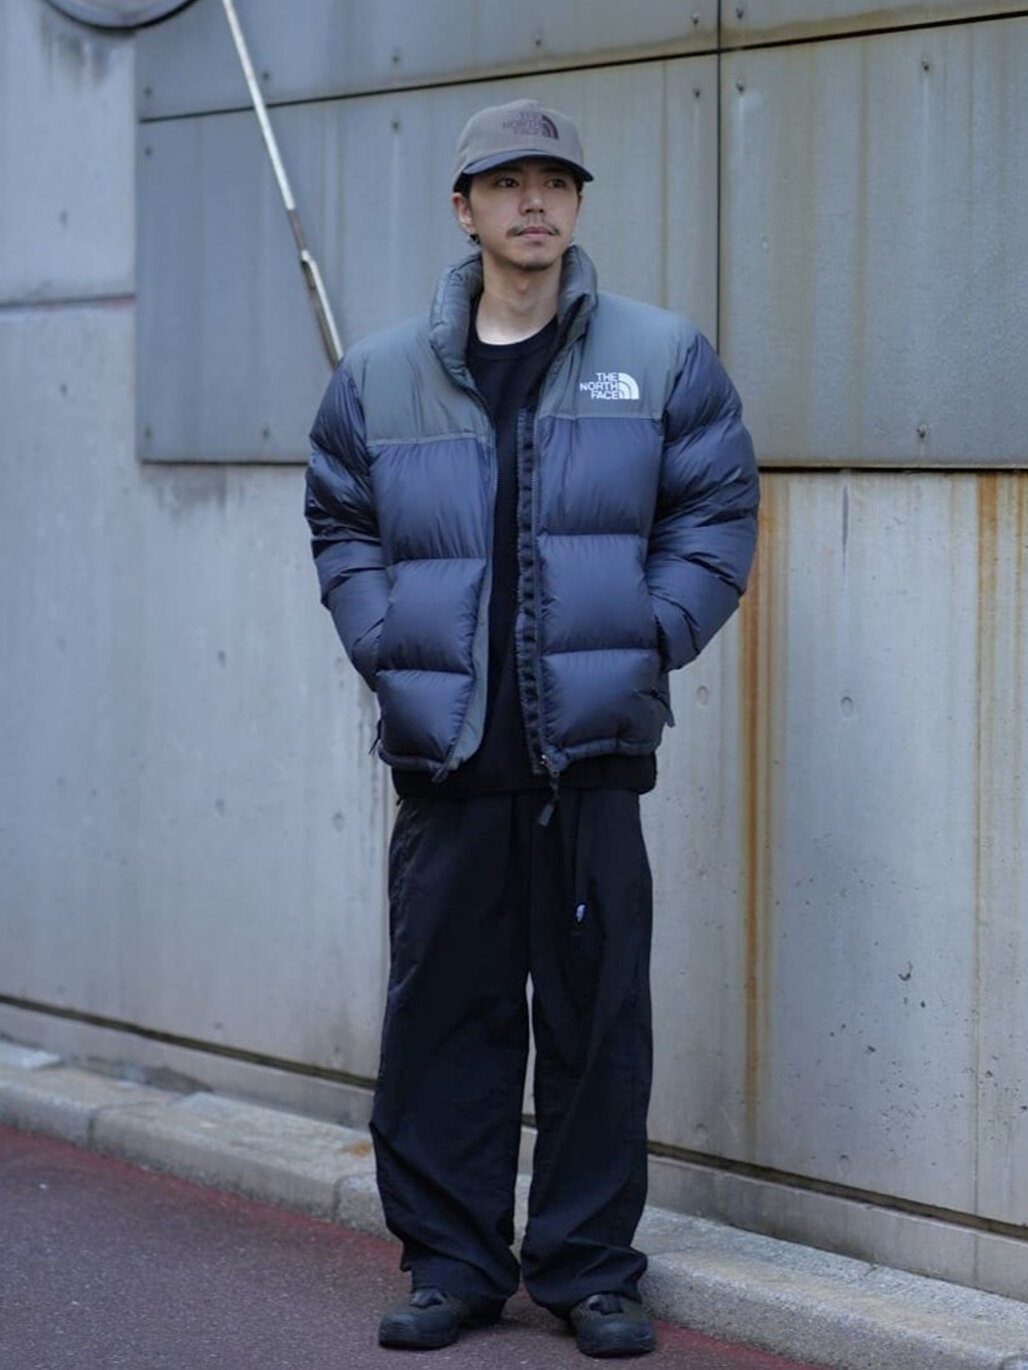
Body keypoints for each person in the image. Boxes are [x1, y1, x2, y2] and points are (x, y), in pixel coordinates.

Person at [305, 97, 758, 1359]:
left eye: (553, 181)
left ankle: (588, 1268)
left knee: (595, 1025)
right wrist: (387, 643)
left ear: (574, 202)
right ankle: (452, 1264)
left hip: (589, 758)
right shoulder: (380, 375)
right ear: (464, 209)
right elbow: (340, 520)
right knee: (444, 1021)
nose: (533, 203)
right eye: (506, 183)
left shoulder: (659, 356)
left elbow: (716, 512)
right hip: (449, 760)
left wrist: (647, 634)